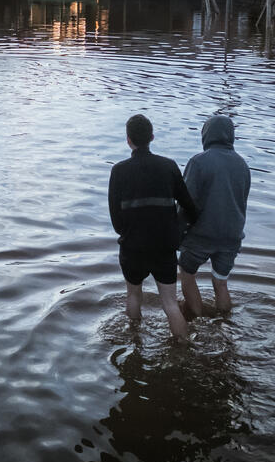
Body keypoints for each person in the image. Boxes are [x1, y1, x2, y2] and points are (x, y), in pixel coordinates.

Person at [108, 114, 198, 340]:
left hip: (132, 247)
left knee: (133, 295)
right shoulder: (168, 166)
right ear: (152, 137)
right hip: (163, 247)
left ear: (128, 140)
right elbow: (189, 207)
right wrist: (179, 230)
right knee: (170, 303)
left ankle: (135, 343)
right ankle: (184, 348)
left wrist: (127, 233)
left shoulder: (118, 171)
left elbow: (115, 219)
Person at [178, 115, 251, 317]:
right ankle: (225, 323)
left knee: (187, 274)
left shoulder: (199, 162)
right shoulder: (242, 165)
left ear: (206, 135)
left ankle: (196, 316)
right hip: (231, 237)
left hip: (202, 235)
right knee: (220, 282)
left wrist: (176, 234)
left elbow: (186, 202)